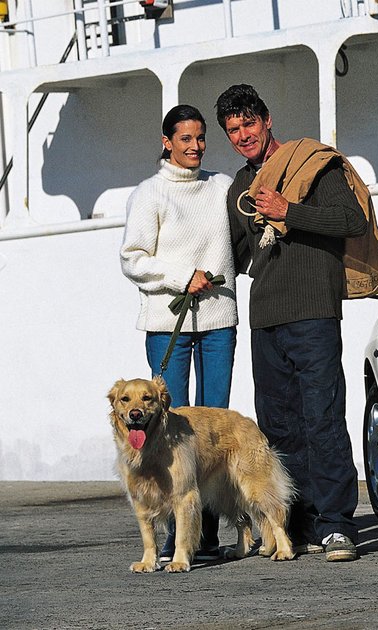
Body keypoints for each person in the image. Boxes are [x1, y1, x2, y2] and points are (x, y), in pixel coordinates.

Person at [215, 84, 367, 562]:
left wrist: (289, 212)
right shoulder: (239, 187)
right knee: (279, 426)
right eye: (233, 130)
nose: (243, 136)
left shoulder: (313, 162)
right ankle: (296, 524)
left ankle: (339, 524)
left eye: (248, 124)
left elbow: (351, 219)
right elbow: (239, 255)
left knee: (322, 416)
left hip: (314, 309)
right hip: (265, 316)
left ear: (267, 120)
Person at [120, 104, 237, 563]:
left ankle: (203, 533)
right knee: (163, 429)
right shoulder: (149, 194)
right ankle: (172, 539)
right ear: (167, 142)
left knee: (211, 428)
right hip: (167, 324)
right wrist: (180, 276)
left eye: (200, 137)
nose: (195, 146)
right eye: (185, 138)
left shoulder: (222, 186)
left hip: (218, 320)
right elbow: (132, 258)